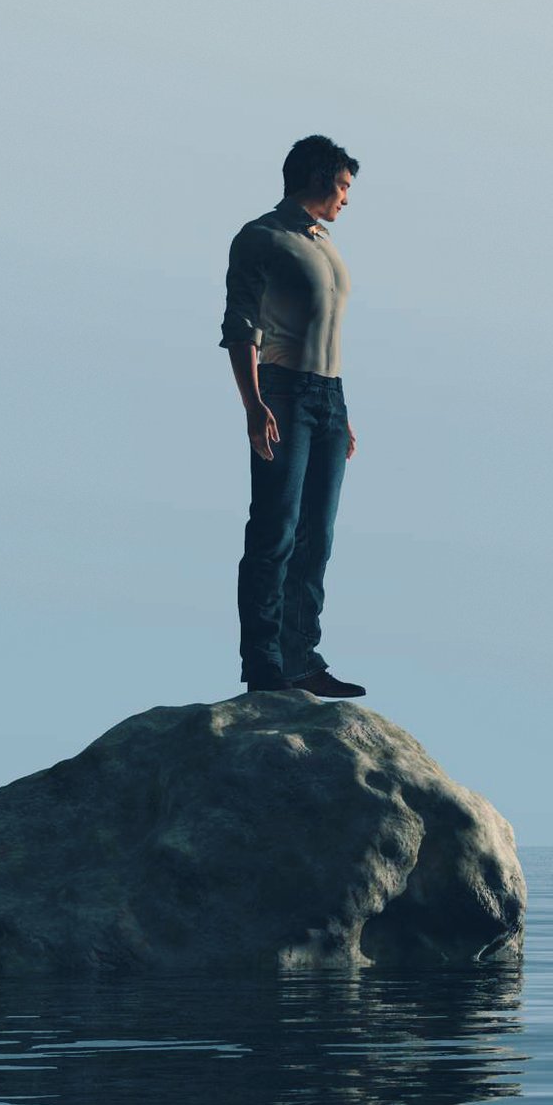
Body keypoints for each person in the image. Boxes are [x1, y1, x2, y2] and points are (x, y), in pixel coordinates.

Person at [222, 136, 366, 697]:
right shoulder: (262, 237)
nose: (346, 198)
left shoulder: (323, 242)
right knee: (275, 531)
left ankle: (301, 660)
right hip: (282, 394)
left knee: (316, 538)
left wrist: (339, 411)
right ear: (318, 177)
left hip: (329, 398)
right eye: (344, 185)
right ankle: (264, 666)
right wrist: (253, 404)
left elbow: (326, 328)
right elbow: (241, 326)